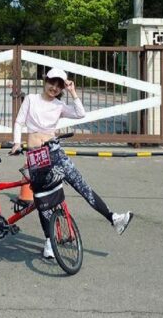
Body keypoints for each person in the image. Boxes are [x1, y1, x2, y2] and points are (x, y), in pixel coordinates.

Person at [9, 67, 133, 259]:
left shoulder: (59, 105)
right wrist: (17, 143)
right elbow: (18, 122)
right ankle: (49, 242)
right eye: (52, 83)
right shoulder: (31, 99)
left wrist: (73, 92)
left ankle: (113, 218)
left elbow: (80, 113)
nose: (54, 88)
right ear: (45, 80)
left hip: (56, 153)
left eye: (59, 86)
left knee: (82, 185)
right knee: (43, 200)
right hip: (36, 156)